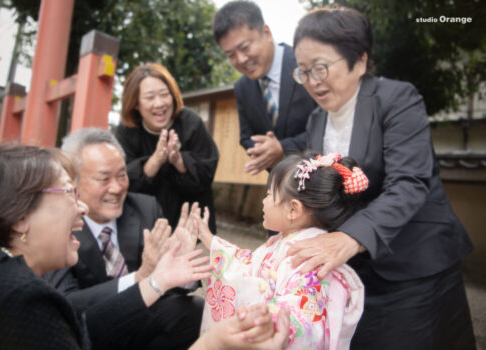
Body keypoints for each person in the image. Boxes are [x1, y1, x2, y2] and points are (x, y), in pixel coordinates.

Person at [288, 7, 476, 350]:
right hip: (360, 270)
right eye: (303, 72)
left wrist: (348, 238)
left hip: (415, 263)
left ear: (359, 61)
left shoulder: (395, 99)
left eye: (320, 67)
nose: (313, 81)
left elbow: (409, 183)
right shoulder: (317, 120)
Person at [0, 143, 212, 349]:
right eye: (69, 192)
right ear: (20, 216)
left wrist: (159, 278)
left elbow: (81, 327)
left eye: (122, 175)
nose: (81, 207)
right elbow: (69, 314)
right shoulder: (25, 299)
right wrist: (210, 345)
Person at [44, 128, 206, 349]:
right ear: (74, 183)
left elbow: (170, 290)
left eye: (122, 175)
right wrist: (142, 277)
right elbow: (65, 302)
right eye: (104, 178)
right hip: (86, 333)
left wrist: (179, 264)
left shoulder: (145, 207)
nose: (117, 187)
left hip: (141, 325)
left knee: (192, 308)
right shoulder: (57, 225)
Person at [197, 152, 365, 349]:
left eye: (269, 195)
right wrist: (211, 241)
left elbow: (304, 320)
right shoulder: (284, 242)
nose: (263, 201)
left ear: (293, 210)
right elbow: (249, 264)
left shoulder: (309, 258)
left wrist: (272, 320)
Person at [212, 1, 317, 175]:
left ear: (266, 33)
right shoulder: (242, 87)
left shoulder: (304, 64)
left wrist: (283, 148)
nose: (241, 59)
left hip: (323, 181)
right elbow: (246, 137)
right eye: (231, 55)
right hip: (280, 185)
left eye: (245, 47)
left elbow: (329, 123)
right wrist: (264, 150)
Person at [116, 63, 219, 233]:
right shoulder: (127, 131)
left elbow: (207, 171)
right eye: (150, 97)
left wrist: (179, 161)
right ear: (135, 103)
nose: (159, 103)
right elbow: (123, 180)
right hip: (142, 230)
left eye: (164, 95)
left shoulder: (190, 122)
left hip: (193, 229)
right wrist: (156, 159)